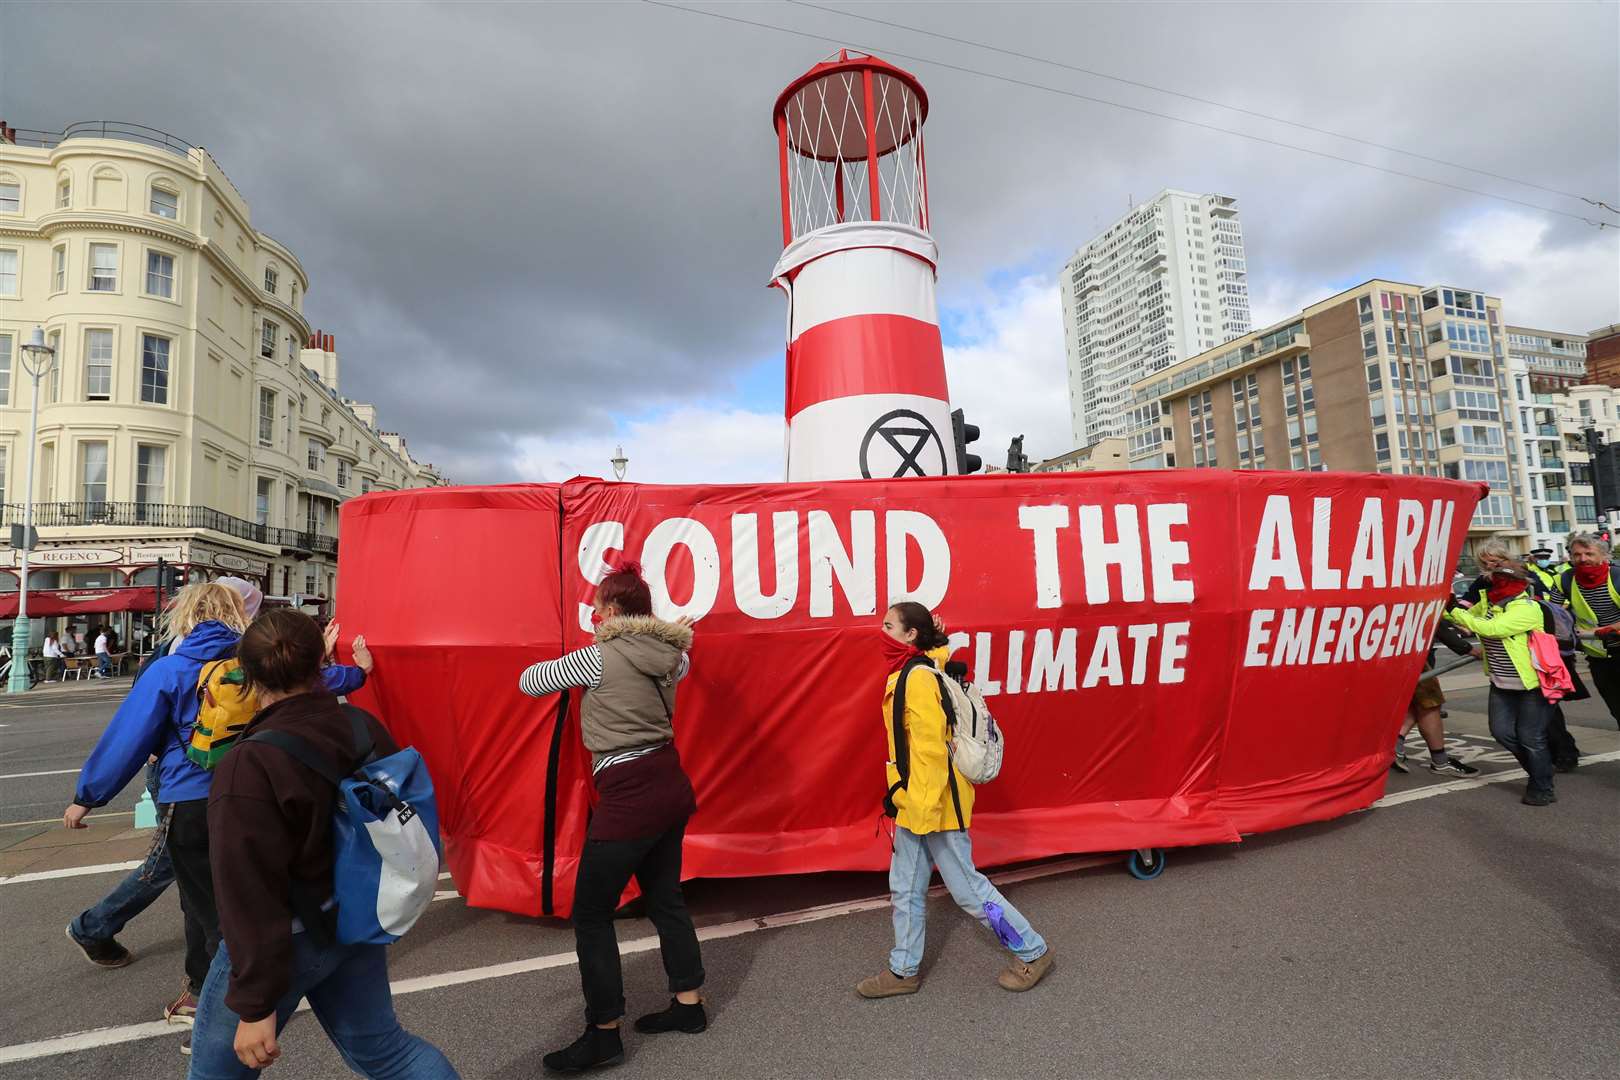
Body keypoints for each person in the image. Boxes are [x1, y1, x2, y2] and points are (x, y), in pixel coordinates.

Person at [63, 583, 372, 1052]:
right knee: (236, 901)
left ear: (186, 615)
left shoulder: (171, 667)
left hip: (187, 801)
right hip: (251, 793)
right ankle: (209, 995)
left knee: (206, 907)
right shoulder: (253, 661)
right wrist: (359, 674)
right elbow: (314, 681)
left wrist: (89, 795)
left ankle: (219, 1016)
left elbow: (129, 734)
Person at [187, 609, 458, 1079]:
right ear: (321, 665)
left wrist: (255, 1004)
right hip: (354, 914)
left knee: (215, 1075)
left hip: (283, 936)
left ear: (245, 674)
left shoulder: (248, 764)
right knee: (388, 1052)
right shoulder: (359, 725)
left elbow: (247, 887)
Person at [517, 560, 704, 1074]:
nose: (593, 616)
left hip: (629, 795)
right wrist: (680, 634)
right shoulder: (674, 655)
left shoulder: (596, 659)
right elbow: (679, 656)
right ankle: (689, 1006)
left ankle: (603, 1034)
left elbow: (530, 681)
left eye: (597, 608)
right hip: (669, 783)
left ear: (614, 611)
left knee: (592, 914)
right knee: (666, 899)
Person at [857, 602, 1053, 999]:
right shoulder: (917, 669)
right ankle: (903, 970)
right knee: (906, 887)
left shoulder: (915, 679)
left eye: (888, 625)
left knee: (968, 890)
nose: (881, 632)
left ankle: (1032, 951)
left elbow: (931, 753)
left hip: (933, 807)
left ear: (910, 635)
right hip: (919, 804)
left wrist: (918, 810)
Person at [1444, 565, 1559, 806]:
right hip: (1500, 682)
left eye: (1508, 579)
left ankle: (1542, 785)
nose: (1501, 583)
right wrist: (1444, 605)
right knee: (1502, 732)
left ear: (1521, 583)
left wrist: (1454, 609)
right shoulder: (1488, 602)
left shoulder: (1528, 607)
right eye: (1497, 578)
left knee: (1530, 737)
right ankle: (1540, 770)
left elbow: (1492, 629)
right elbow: (1464, 618)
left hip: (1532, 685)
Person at [65, 757, 176, 967]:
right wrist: (87, 796)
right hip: (182, 774)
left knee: (185, 858)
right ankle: (94, 927)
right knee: (169, 859)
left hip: (194, 770)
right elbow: (129, 736)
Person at [1393, 621, 1483, 777]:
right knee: (1430, 705)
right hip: (1412, 652)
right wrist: (1468, 648)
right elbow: (1433, 619)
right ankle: (1440, 761)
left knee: (1416, 705)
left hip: (1391, 650)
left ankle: (1395, 747)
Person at [1559, 531, 1620, 728]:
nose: (1582, 559)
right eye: (1577, 554)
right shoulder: (1565, 580)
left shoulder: (1618, 576)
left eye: (1589, 554)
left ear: (1603, 555)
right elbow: (1552, 613)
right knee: (1616, 709)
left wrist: (1598, 632)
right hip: (1598, 657)